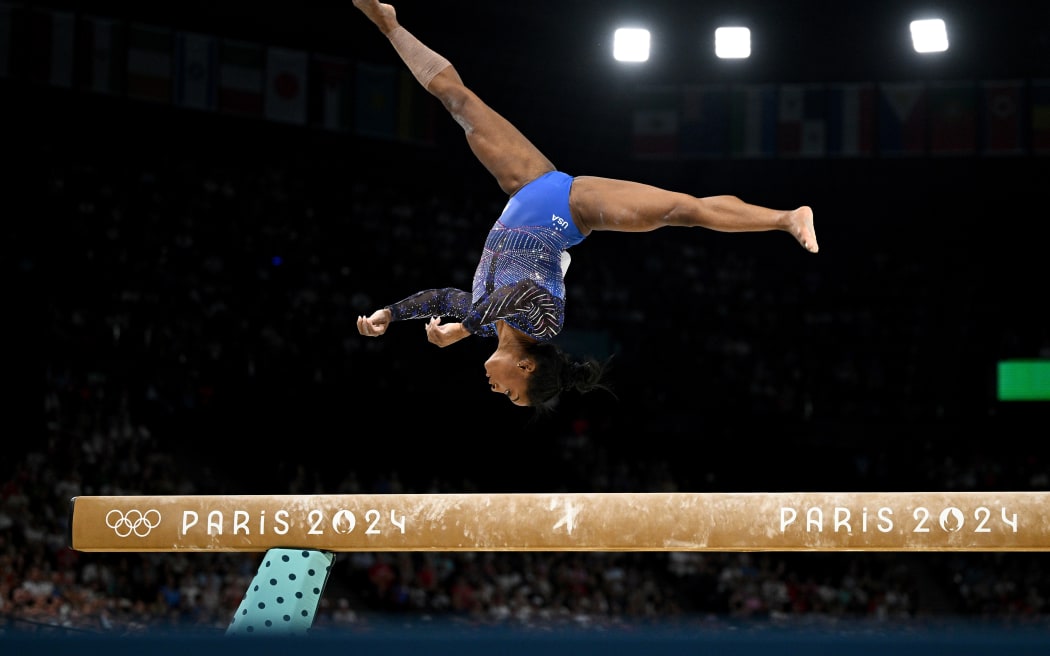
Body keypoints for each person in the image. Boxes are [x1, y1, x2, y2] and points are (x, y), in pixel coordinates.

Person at [353, 0, 818, 411]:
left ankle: (387, 22)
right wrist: (464, 328)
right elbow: (514, 296)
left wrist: (391, 315)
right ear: (528, 369)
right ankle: (784, 218)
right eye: (513, 394)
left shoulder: (490, 328)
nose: (497, 391)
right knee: (682, 209)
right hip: (570, 211)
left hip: (528, 188)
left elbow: (445, 299)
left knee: (460, 102)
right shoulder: (546, 326)